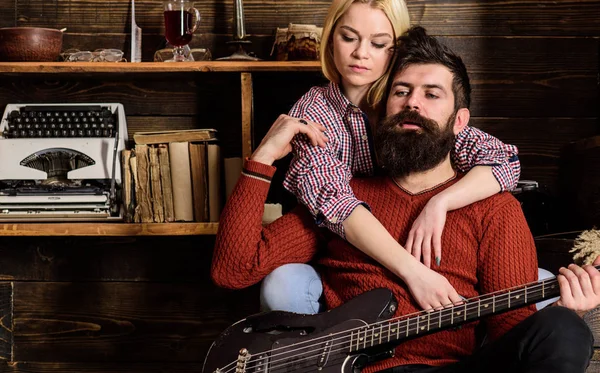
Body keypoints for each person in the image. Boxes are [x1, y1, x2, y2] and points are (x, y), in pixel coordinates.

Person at [212, 27, 600, 373]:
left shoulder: (495, 210)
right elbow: (234, 270)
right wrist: (261, 160)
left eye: (432, 94)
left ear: (460, 121)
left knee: (563, 328)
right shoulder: (342, 199)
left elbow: (511, 334)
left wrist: (570, 311)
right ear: (383, 112)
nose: (413, 103)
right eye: (402, 92)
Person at [261, 0, 522, 314]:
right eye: (348, 38)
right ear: (331, 40)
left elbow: (503, 160)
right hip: (344, 250)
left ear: (396, 49)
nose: (361, 53)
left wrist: (440, 203)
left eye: (379, 43)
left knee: (538, 286)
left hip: (410, 225)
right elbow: (337, 204)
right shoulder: (315, 111)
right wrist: (414, 272)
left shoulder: (412, 98)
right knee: (283, 283)